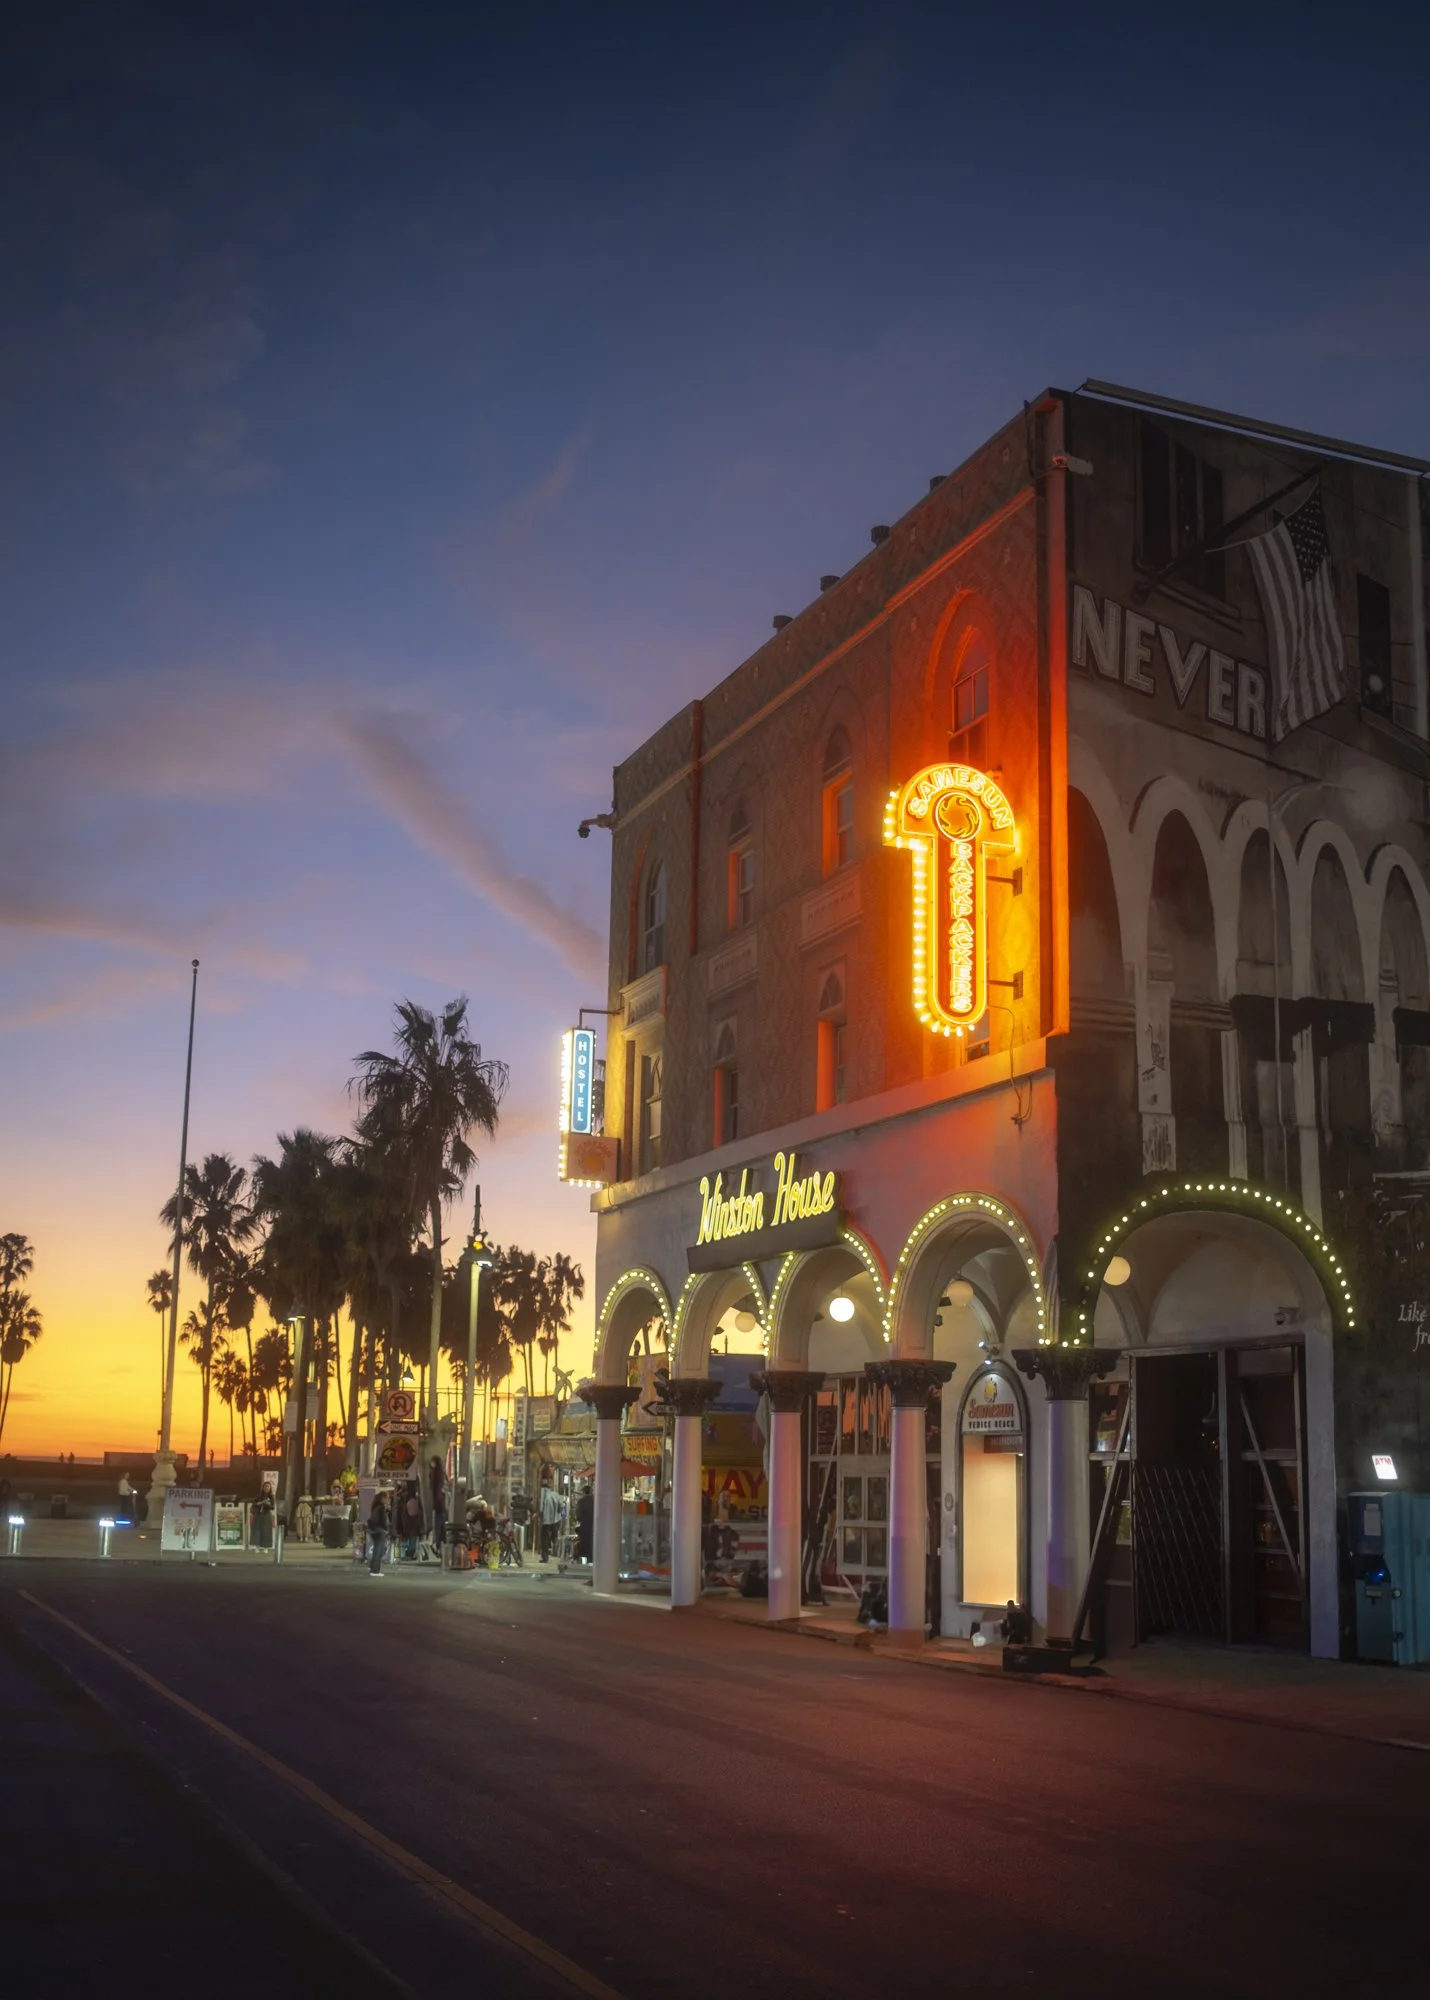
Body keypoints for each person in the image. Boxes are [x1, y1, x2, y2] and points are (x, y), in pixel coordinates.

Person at [367, 1488, 391, 1574]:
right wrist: (386, 1528)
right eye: (386, 1498)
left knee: (378, 1549)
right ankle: (375, 1570)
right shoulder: (381, 1507)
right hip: (380, 1530)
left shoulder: (374, 1506)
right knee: (379, 1550)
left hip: (374, 1530)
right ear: (382, 1498)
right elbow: (383, 1520)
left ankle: (372, 1567)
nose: (387, 1500)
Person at [428, 1455, 448, 1560]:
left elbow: (435, 1489)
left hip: (439, 1506)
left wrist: (437, 1502)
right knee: (442, 1529)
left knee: (438, 1528)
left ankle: (438, 1548)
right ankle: (442, 1548)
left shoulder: (436, 1474)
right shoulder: (442, 1474)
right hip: (442, 1506)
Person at [538, 1478, 562, 1562]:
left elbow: (541, 1509)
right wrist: (557, 1513)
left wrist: (540, 1517)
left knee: (544, 1538)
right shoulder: (556, 1494)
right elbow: (561, 1506)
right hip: (556, 1520)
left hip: (546, 1520)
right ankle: (556, 1552)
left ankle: (545, 1557)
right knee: (554, 1537)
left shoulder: (543, 1494)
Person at [399, 1481, 424, 1561]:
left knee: (410, 1540)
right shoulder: (414, 1501)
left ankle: (408, 1554)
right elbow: (414, 1513)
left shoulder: (405, 1499)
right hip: (413, 1524)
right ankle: (409, 1554)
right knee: (412, 1540)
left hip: (408, 1524)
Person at [574, 1482, 594, 1564]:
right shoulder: (596, 1500)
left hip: (585, 1526)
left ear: (583, 1492)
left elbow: (578, 1516)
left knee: (585, 1543)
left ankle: (585, 1560)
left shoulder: (581, 1502)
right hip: (595, 1526)